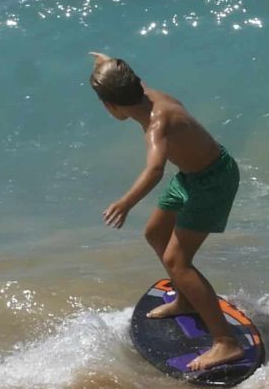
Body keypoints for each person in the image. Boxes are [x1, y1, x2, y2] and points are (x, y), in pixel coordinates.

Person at [90, 52, 243, 371]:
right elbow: (129, 77)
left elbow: (155, 170)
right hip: (191, 176)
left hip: (212, 181)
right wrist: (106, 62)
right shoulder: (144, 92)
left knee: (177, 259)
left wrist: (125, 203)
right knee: (156, 233)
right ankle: (186, 300)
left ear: (112, 108)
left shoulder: (156, 126)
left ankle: (226, 343)